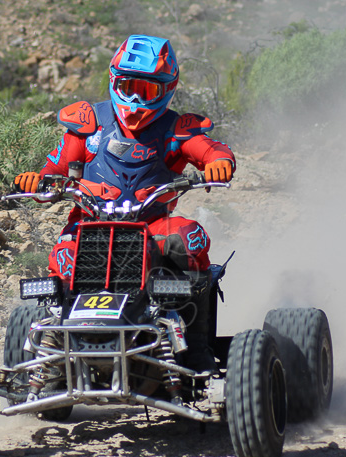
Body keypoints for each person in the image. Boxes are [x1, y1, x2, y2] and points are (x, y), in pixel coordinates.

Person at [14, 34, 235, 372]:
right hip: (88, 223)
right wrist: (37, 178)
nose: (134, 97)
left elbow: (210, 149)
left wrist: (219, 162)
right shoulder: (89, 123)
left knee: (190, 237)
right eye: (128, 85)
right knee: (62, 258)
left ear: (166, 89)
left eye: (145, 90)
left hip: (153, 223)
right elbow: (56, 166)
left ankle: (197, 347)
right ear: (114, 80)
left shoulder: (175, 128)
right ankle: (52, 354)